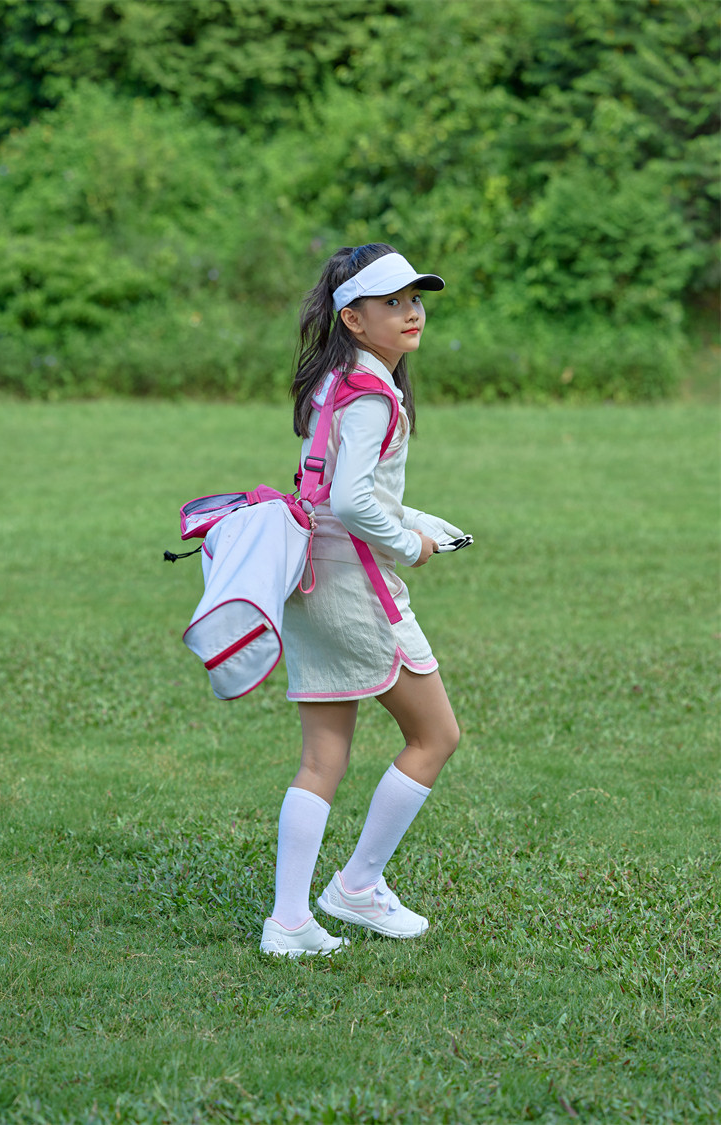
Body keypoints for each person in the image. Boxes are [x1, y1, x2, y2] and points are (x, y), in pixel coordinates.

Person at [260, 243, 469, 957]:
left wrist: (418, 521)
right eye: (392, 303)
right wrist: (408, 544)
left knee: (322, 757)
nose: (412, 313)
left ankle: (290, 922)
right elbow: (352, 502)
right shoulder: (375, 394)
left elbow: (337, 490)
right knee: (435, 736)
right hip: (356, 587)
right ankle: (356, 886)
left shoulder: (336, 379)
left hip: (308, 579)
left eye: (415, 300)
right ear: (353, 317)